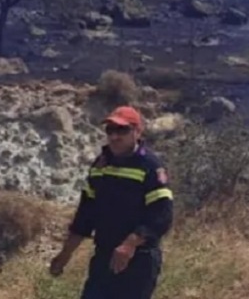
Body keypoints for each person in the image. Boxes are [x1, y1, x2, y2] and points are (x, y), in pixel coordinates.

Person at [49, 105, 174, 299]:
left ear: (137, 131)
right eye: (110, 130)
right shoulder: (100, 166)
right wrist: (65, 255)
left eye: (122, 130)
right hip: (103, 257)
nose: (115, 136)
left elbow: (161, 215)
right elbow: (85, 215)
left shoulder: (150, 166)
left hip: (138, 259)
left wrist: (129, 245)